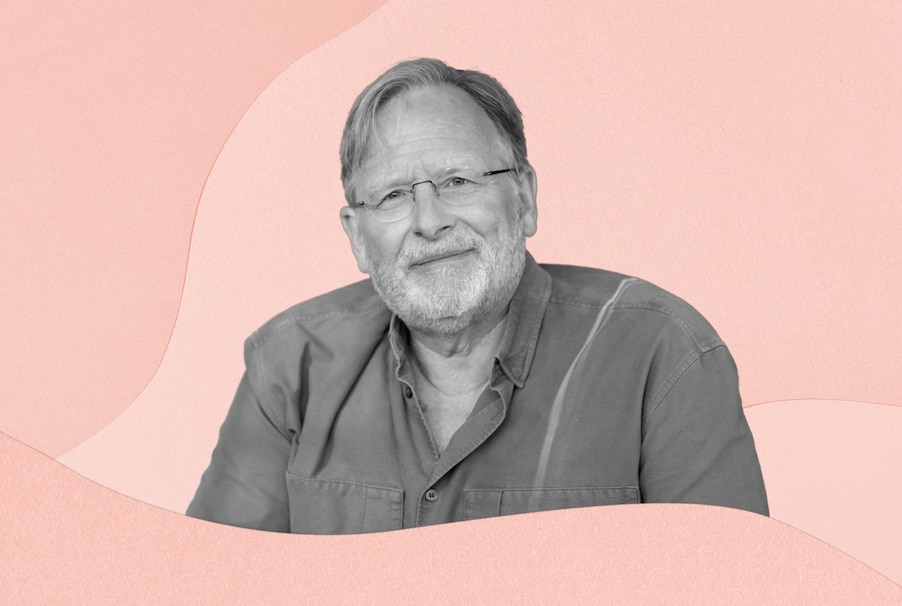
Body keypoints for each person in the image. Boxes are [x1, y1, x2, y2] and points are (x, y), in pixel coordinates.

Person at [187, 58, 768, 533]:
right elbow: (206, 585)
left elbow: (732, 588)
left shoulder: (663, 355)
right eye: (393, 196)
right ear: (357, 236)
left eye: (458, 181)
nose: (429, 221)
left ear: (525, 198)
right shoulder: (289, 366)